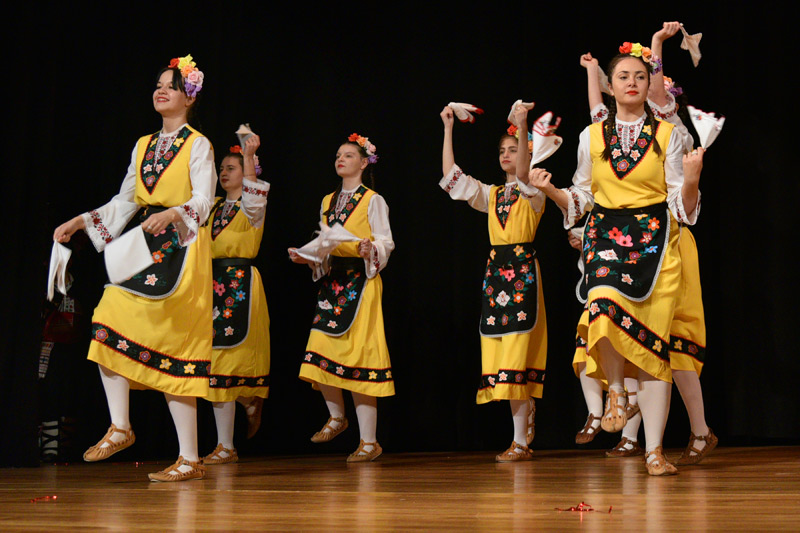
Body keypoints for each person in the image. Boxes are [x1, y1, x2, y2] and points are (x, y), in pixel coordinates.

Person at [530, 43, 703, 475]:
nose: (632, 82)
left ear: (649, 84)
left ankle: (654, 451)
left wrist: (692, 181)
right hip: (606, 234)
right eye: (624, 76)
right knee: (602, 304)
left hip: (655, 241)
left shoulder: (669, 135)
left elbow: (681, 209)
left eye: (640, 76)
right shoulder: (591, 136)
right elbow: (583, 194)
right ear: (611, 86)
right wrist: (551, 191)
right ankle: (617, 394)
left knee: (653, 346)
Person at [53, 55, 215, 482]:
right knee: (107, 319)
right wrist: (81, 221)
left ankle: (189, 458)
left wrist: (174, 213)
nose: (161, 90)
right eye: (158, 85)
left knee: (175, 346)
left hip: (182, 246)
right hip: (147, 245)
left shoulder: (198, 144)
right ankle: (121, 426)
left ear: (189, 97)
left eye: (171, 86)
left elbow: (204, 200)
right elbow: (125, 200)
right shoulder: (143, 145)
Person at [439, 103, 549, 462]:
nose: (506, 155)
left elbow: (524, 177)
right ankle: (522, 421)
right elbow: (452, 178)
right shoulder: (492, 195)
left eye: (513, 149)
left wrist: (522, 124)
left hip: (522, 275)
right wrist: (448, 128)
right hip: (495, 278)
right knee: (500, 356)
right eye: (502, 150)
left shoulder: (534, 191)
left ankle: (519, 443)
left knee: (515, 355)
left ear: (527, 154)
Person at [288, 134, 394, 462]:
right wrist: (309, 257)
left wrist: (370, 248)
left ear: (363, 163)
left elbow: (386, 242)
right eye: (338, 155)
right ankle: (337, 416)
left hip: (363, 282)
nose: (341, 159)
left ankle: (369, 442)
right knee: (319, 347)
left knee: (361, 357)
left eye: (348, 155)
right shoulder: (327, 201)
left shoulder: (372, 200)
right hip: (334, 283)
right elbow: (326, 244)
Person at [201, 134, 270, 465]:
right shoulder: (213, 206)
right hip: (210, 284)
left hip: (240, 284)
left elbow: (254, 199)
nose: (224, 172)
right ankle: (246, 401)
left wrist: (250, 158)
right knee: (213, 362)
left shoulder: (253, 205)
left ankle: (226, 445)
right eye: (222, 168)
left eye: (232, 167)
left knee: (225, 361)